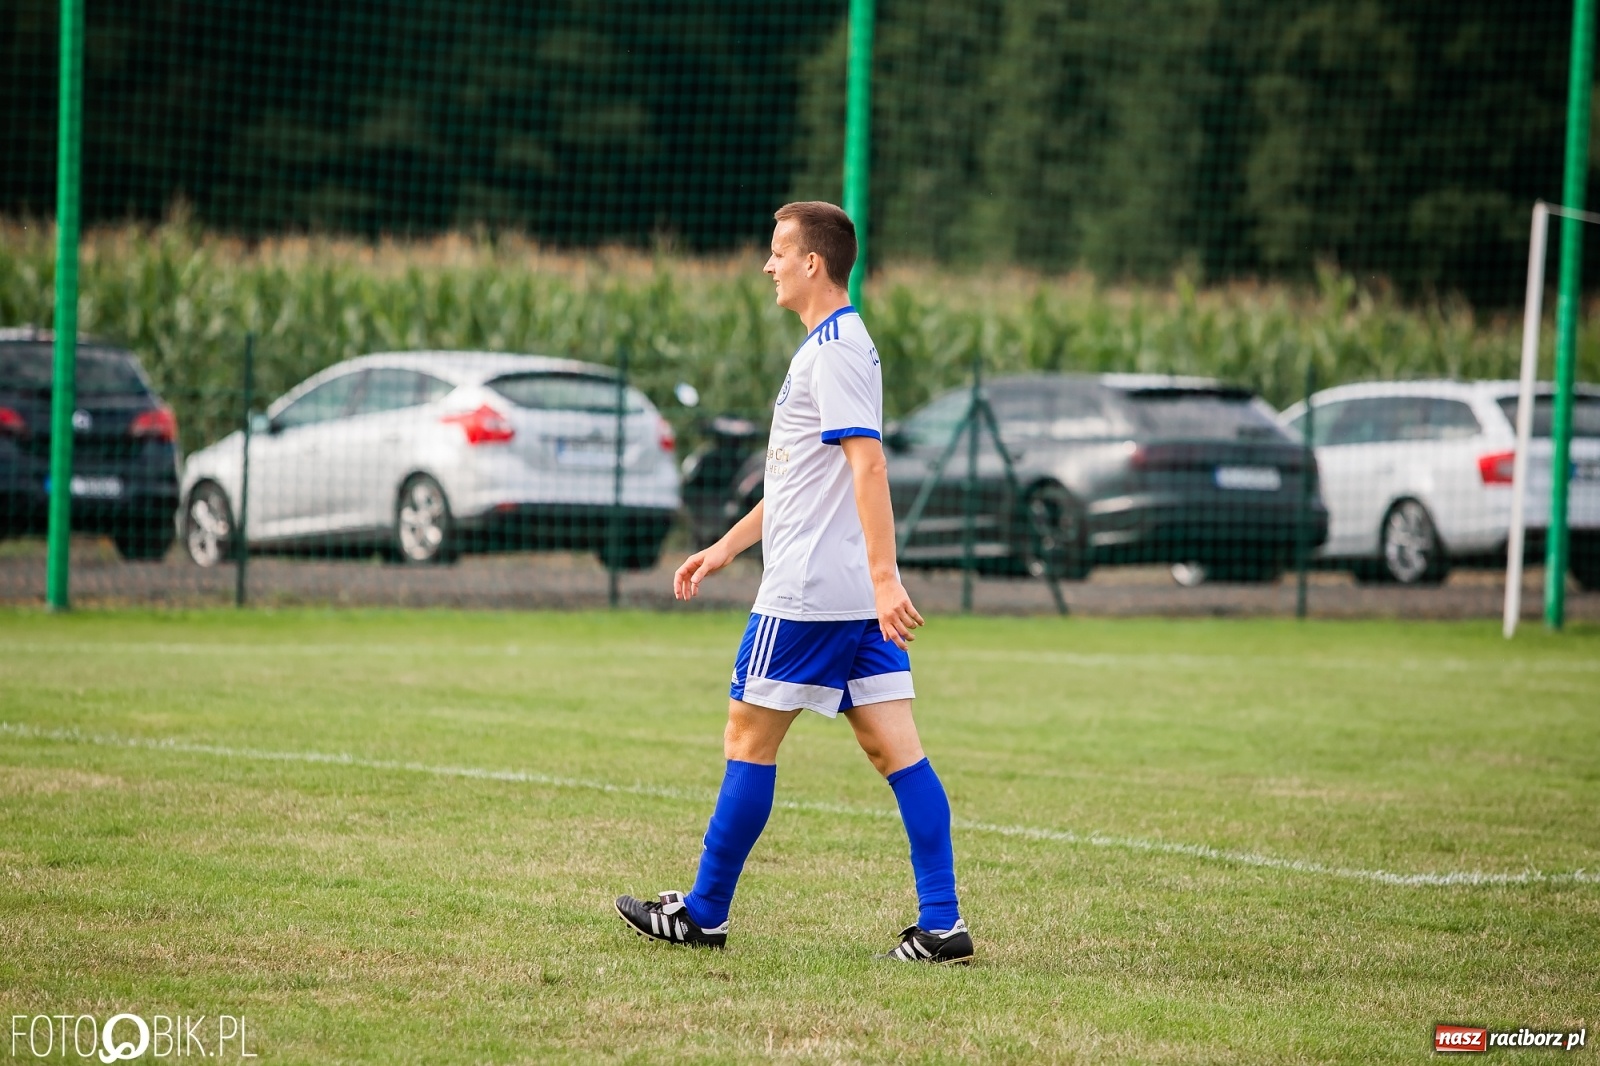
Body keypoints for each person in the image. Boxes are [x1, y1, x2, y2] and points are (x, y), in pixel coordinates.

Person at [614, 201, 972, 965]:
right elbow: (801, 482)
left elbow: (868, 465)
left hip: (811, 597)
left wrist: (885, 578)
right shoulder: (837, 346)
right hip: (845, 598)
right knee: (896, 750)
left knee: (748, 737)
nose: (768, 265)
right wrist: (723, 546)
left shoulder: (835, 350)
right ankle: (942, 923)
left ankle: (705, 913)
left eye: (779, 252)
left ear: (814, 262)